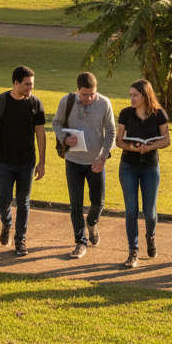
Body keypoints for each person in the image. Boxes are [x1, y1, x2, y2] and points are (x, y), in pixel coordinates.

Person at [52, 71, 116, 259]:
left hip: (96, 161)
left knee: (98, 202)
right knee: (75, 205)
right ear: (77, 90)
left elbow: (111, 131)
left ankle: (92, 222)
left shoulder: (104, 103)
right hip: (73, 161)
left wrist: (103, 157)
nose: (88, 98)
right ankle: (80, 242)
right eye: (84, 94)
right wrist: (64, 137)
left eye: (92, 94)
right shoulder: (67, 101)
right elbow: (56, 123)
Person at [0, 66, 46, 258]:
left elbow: (41, 134)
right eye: (27, 84)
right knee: (3, 201)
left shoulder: (36, 103)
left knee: (23, 201)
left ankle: (20, 239)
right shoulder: (0, 101)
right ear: (16, 83)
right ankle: (7, 222)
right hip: (3, 161)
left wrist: (42, 162)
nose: (30, 88)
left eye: (32, 84)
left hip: (27, 162)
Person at [116, 78, 170, 268]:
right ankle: (133, 251)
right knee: (131, 211)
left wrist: (149, 147)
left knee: (149, 211)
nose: (131, 99)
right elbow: (118, 141)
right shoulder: (125, 114)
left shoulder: (159, 114)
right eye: (130, 95)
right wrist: (133, 146)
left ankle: (151, 236)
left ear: (145, 96)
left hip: (150, 166)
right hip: (128, 166)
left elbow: (166, 140)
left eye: (135, 95)